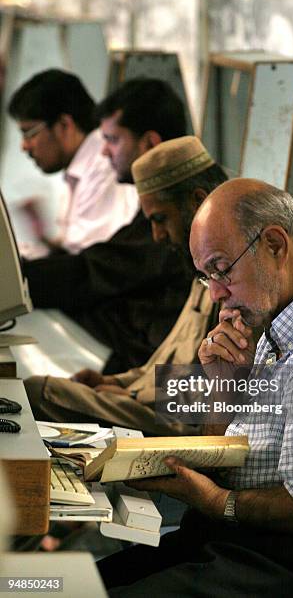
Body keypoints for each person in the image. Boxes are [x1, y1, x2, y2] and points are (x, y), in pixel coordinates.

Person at [97, 179, 293, 597]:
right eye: (207, 277)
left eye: (222, 270)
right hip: (235, 537)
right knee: (80, 584)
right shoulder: (278, 318)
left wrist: (216, 502)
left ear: (275, 245)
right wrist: (224, 387)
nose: (217, 295)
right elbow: (226, 449)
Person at [25, 136, 228, 434]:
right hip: (152, 402)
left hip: (177, 425)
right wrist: (112, 383)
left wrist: (133, 395)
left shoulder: (233, 280)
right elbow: (162, 363)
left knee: (38, 393)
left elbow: (229, 398)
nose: (157, 236)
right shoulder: (201, 273)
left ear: (198, 201)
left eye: (160, 219)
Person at [20, 78, 190, 372]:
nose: (103, 152)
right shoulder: (164, 198)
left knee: (23, 331)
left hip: (151, 369)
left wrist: (16, 280)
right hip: (135, 351)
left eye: (112, 140)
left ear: (149, 143)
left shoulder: (176, 208)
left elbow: (96, 270)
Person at [8, 69, 138, 255]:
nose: (24, 146)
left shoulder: (102, 168)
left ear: (64, 125)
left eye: (29, 133)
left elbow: (88, 268)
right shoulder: (79, 171)